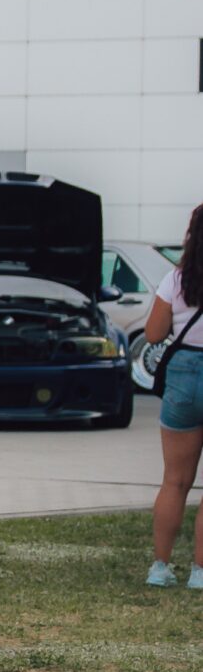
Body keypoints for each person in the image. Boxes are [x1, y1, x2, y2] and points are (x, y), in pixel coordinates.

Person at [144, 201, 203, 587]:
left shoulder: (177, 279)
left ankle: (160, 568)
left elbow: (153, 333)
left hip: (183, 376)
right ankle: (200, 573)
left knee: (175, 481)